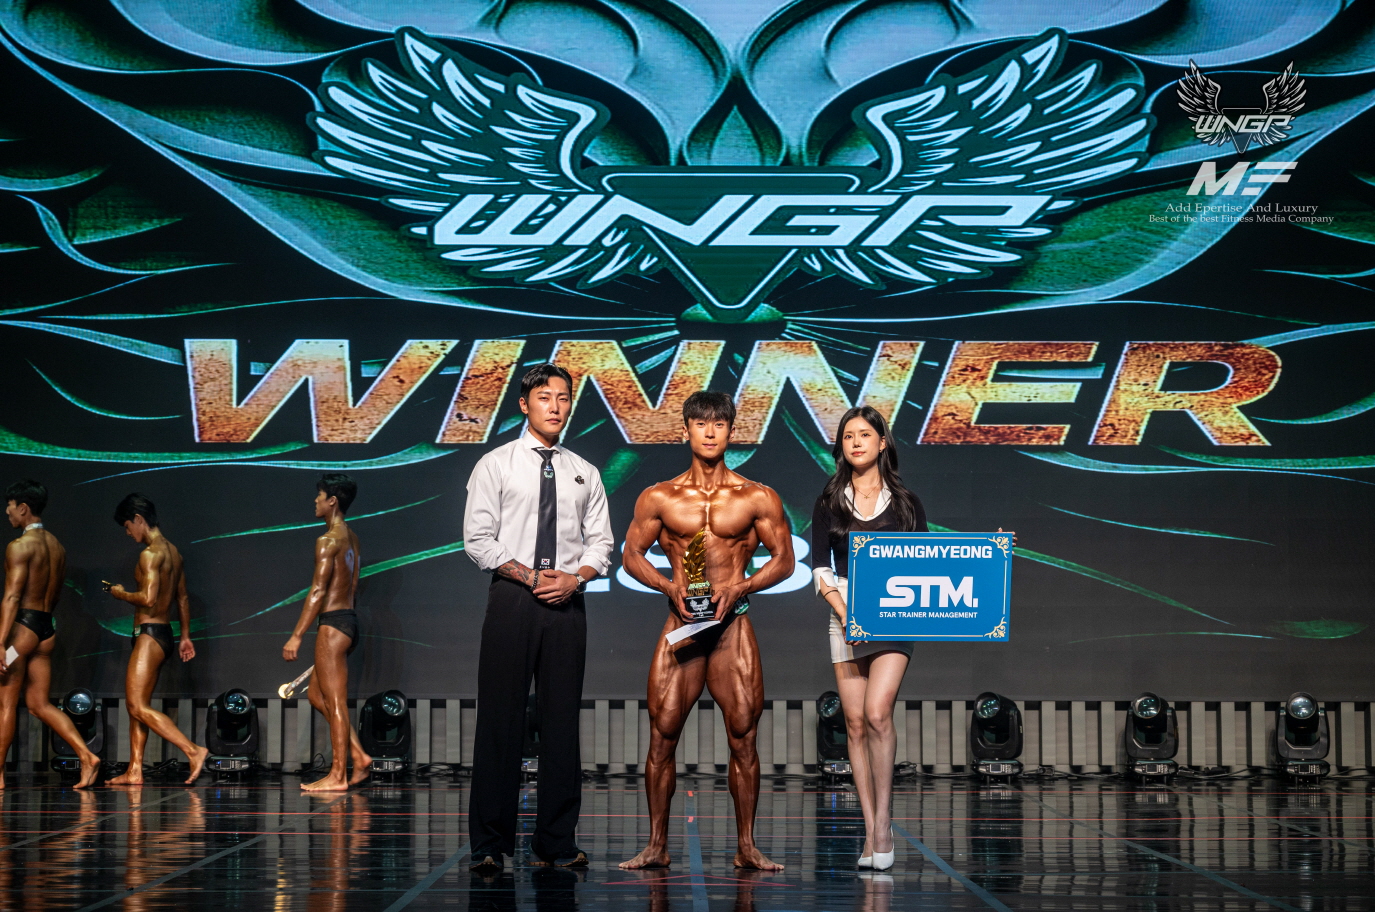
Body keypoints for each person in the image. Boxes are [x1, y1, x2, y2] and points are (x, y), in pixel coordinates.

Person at [619, 391, 795, 871]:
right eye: (701, 423)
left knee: (744, 737)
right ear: (686, 431)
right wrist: (668, 585)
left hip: (732, 628)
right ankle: (656, 845)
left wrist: (742, 586)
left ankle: (746, 846)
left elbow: (785, 560)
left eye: (719, 424)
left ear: (731, 432)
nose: (710, 431)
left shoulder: (757, 496)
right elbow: (631, 554)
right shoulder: (659, 496)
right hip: (682, 626)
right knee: (662, 736)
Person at [463, 363, 614, 871]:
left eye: (564, 397)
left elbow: (602, 543)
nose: (555, 405)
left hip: (568, 601)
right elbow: (478, 539)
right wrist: (531, 577)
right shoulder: (496, 464)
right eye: (545, 396)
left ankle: (555, 842)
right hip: (513, 599)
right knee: (500, 720)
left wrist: (576, 578)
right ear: (524, 405)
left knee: (562, 722)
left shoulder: (585, 471)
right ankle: (489, 845)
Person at [811, 406, 926, 871]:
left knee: (878, 713)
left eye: (864, 434)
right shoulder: (829, 500)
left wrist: (990, 552)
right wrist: (845, 612)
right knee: (855, 724)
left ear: (882, 443)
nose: (856, 442)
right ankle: (870, 827)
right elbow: (820, 567)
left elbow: (931, 561)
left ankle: (883, 825)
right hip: (845, 616)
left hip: (896, 616)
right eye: (848, 436)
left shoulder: (906, 502)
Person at [0, 480, 101, 789]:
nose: (6, 512)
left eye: (9, 506)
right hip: (45, 630)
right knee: (39, 704)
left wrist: (1, 643)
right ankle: (87, 756)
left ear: (23, 508)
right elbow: (54, 595)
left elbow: (12, 597)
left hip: (22, 632)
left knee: (5, 703)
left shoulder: (20, 546)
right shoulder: (57, 547)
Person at [104, 493, 210, 785]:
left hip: (149, 634)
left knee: (136, 706)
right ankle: (135, 769)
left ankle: (193, 750)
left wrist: (120, 593)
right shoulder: (174, 553)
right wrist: (185, 636)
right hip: (164, 635)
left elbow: (148, 599)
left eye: (128, 526)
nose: (128, 533)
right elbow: (182, 598)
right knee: (138, 706)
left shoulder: (150, 554)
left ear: (139, 519)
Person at [283, 474, 373, 791]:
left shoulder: (327, 540)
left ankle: (338, 776)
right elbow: (353, 585)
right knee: (315, 695)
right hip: (348, 621)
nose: (315, 501)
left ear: (332, 501)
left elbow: (318, 591)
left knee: (335, 702)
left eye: (319, 496)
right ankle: (359, 756)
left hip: (333, 624)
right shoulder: (352, 538)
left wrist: (297, 635)